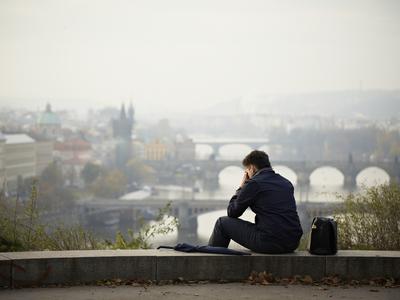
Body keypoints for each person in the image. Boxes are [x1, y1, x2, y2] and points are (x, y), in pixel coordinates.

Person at [208, 150, 303, 253]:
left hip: (269, 242)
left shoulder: (254, 184)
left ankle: (210, 260)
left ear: (252, 168)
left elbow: (232, 212)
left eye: (247, 170)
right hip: (293, 242)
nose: (247, 174)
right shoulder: (286, 183)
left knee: (222, 223)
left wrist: (241, 187)